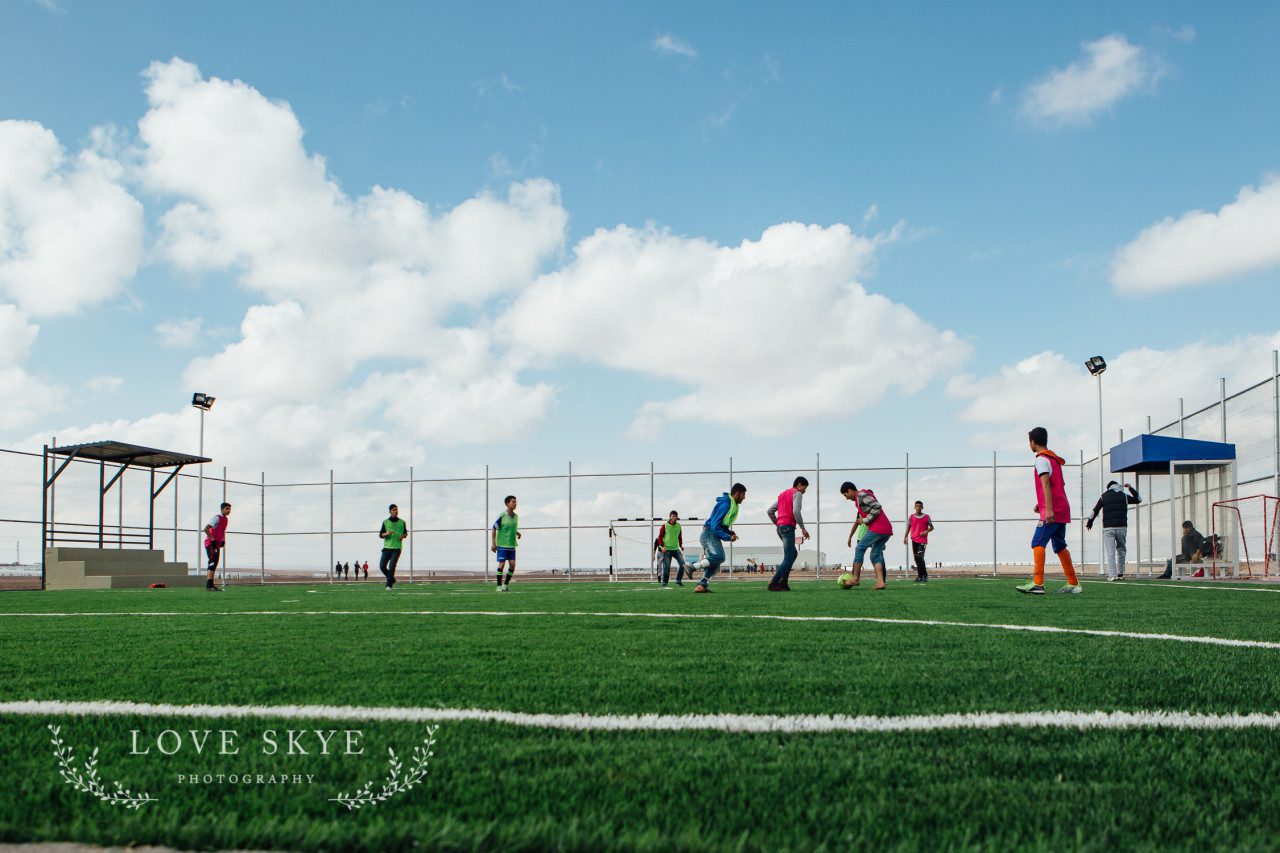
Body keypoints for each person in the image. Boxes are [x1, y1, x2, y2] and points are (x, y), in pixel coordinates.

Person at [1016, 427, 1081, 595]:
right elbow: (1059, 485)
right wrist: (1042, 503)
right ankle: (1073, 583)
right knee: (1059, 545)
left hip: (1053, 511)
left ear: (1033, 442)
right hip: (1062, 508)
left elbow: (1046, 483)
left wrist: (1049, 509)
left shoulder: (1041, 459)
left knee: (1037, 542)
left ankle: (1038, 583)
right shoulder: (1055, 460)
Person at [691, 483, 747, 593]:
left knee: (715, 564)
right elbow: (714, 525)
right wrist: (728, 537)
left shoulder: (730, 504)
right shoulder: (726, 504)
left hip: (711, 534)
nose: (744, 497)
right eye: (743, 494)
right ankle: (692, 567)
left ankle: (701, 586)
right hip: (709, 534)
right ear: (737, 493)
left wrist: (729, 532)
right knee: (719, 557)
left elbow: (721, 524)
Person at [1085, 481, 1141, 581]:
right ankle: (1120, 574)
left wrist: (1090, 522)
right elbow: (1138, 499)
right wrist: (1130, 488)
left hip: (1108, 528)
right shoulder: (1124, 496)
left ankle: (1112, 575)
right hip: (1122, 527)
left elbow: (1095, 510)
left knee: (1110, 552)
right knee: (1121, 550)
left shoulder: (1104, 496)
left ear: (1108, 488)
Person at [840, 482, 891, 590]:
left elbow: (877, 506)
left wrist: (865, 520)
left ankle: (855, 579)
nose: (846, 498)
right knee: (875, 555)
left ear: (849, 490)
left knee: (859, 548)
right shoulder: (858, 500)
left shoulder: (861, 495)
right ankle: (881, 582)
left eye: (845, 495)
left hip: (879, 528)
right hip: (886, 529)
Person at [766, 476, 811, 592]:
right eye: (804, 488)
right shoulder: (797, 493)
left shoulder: (782, 495)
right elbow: (796, 511)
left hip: (781, 528)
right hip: (787, 528)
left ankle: (783, 582)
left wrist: (778, 523)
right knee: (789, 556)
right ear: (799, 484)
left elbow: (770, 511)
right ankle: (774, 582)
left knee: (793, 554)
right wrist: (803, 528)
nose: (804, 492)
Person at [491, 495, 521, 592]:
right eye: (513, 502)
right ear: (507, 503)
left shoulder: (516, 516)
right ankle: (499, 586)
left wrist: (517, 532)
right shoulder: (502, 515)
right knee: (501, 565)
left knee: (512, 565)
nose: (515, 503)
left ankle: (505, 585)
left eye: (516, 502)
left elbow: (511, 528)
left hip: (512, 545)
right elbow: (494, 529)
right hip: (502, 545)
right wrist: (493, 544)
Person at [202, 502, 231, 592]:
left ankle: (210, 585)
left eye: (229, 509)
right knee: (212, 562)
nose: (229, 510)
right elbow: (206, 529)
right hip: (210, 544)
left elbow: (222, 531)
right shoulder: (216, 518)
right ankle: (209, 586)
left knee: (214, 563)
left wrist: (223, 540)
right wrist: (212, 539)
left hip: (217, 544)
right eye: (227, 509)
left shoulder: (225, 519)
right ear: (222, 509)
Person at [378, 504, 408, 589]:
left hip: (397, 548)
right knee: (382, 566)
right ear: (390, 511)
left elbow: (405, 533)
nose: (396, 511)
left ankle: (389, 585)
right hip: (387, 548)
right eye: (394, 509)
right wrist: (387, 533)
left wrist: (403, 536)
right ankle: (391, 579)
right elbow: (381, 535)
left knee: (392, 565)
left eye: (397, 509)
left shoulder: (402, 522)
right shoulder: (385, 522)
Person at [904, 501, 934, 583]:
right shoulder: (911, 517)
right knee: (916, 559)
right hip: (914, 540)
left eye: (920, 506)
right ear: (914, 507)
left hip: (922, 540)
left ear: (922, 507)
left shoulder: (926, 517)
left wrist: (926, 531)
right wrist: (905, 537)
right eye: (917, 506)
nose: (918, 508)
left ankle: (925, 575)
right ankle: (920, 576)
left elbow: (932, 527)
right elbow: (908, 528)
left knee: (920, 557)